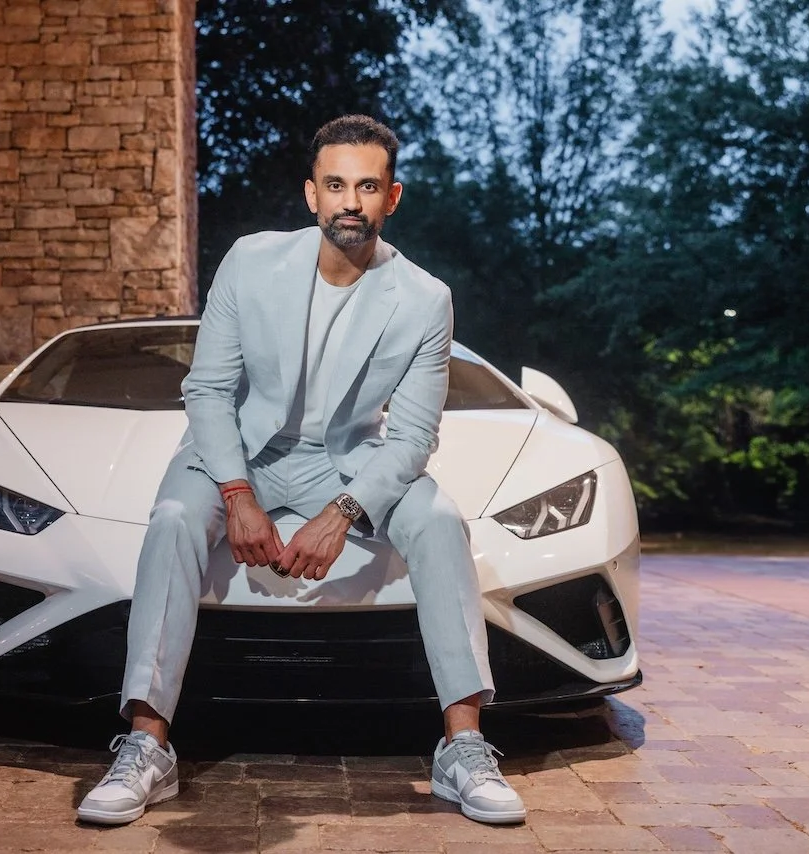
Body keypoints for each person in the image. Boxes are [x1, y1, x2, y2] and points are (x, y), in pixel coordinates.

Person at [76, 115, 526, 827]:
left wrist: (343, 512)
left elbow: (411, 438)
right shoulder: (252, 262)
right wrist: (237, 492)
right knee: (171, 520)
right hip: (238, 455)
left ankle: (464, 747)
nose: (351, 200)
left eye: (368, 186)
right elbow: (208, 391)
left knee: (439, 519)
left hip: (350, 462)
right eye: (337, 184)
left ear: (393, 197)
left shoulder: (423, 299)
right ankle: (145, 745)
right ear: (311, 195)